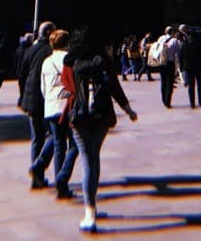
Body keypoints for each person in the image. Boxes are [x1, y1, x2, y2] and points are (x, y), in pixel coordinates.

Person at [62, 24, 137, 233]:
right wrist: (128, 109)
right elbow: (114, 86)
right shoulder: (104, 60)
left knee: (87, 160)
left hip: (79, 116)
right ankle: (91, 205)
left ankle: (89, 212)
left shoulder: (69, 61)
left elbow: (67, 86)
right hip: (102, 115)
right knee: (94, 158)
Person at [41, 29, 78, 199]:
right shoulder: (69, 59)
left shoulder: (46, 62)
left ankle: (59, 183)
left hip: (50, 106)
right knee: (75, 144)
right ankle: (63, 177)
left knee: (58, 145)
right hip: (67, 106)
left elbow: (43, 87)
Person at [19, 21, 56, 189]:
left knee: (36, 139)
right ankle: (39, 167)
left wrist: (22, 96)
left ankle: (37, 178)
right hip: (45, 99)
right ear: (48, 33)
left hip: (30, 99)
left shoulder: (30, 49)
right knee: (54, 136)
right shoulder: (50, 51)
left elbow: (22, 74)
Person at [179, 24, 201, 108]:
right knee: (199, 84)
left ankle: (192, 103)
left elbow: (181, 57)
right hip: (198, 67)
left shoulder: (184, 46)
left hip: (189, 68)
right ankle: (200, 100)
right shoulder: (199, 45)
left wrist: (182, 67)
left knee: (191, 86)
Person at [156, 26, 181, 108]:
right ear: (172, 32)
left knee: (163, 81)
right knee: (170, 83)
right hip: (170, 63)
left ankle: (163, 99)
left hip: (161, 63)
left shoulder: (160, 39)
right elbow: (178, 53)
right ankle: (167, 101)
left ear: (165, 32)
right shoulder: (174, 41)